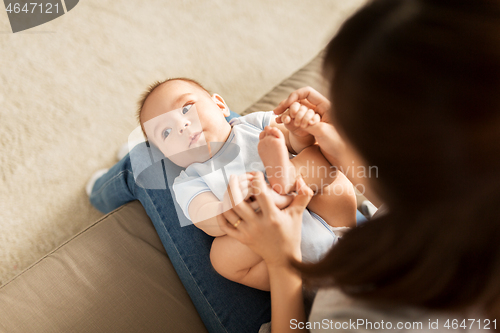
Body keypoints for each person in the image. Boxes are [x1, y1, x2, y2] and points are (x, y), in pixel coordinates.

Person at [218, 0, 500, 331]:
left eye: (350, 123)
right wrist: (340, 147)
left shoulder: (355, 313)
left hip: (302, 293)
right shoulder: (472, 189)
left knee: (216, 249)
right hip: (354, 229)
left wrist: (282, 261)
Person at [134, 77, 355, 291]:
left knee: (316, 158)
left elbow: (299, 144)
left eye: (186, 108)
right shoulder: (188, 182)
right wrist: (225, 209)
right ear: (166, 156)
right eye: (166, 132)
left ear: (220, 105)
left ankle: (282, 186)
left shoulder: (255, 124)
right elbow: (203, 216)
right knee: (221, 258)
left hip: (337, 229)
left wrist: (299, 131)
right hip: (291, 264)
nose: (181, 125)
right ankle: (275, 194)